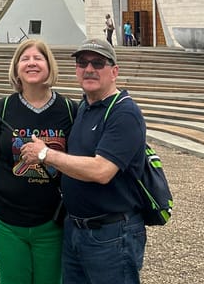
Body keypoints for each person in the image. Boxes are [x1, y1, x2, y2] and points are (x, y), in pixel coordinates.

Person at [20, 38, 148, 284]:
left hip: (111, 234)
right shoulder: (85, 108)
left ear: (114, 71)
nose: (89, 69)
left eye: (98, 63)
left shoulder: (124, 113)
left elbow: (102, 171)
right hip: (76, 230)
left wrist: (46, 154)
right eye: (82, 62)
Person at [0, 39, 74, 284]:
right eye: (25, 58)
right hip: (6, 219)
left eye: (38, 58)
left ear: (49, 65)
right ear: (16, 67)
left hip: (52, 221)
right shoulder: (2, 109)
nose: (31, 63)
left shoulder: (69, 110)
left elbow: (78, 163)